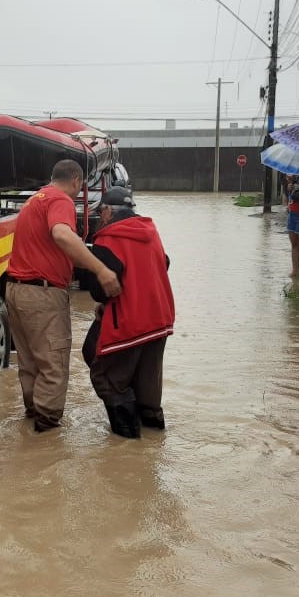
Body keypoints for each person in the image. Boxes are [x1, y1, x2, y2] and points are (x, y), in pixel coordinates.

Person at [5, 159, 121, 433]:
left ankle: (32, 421)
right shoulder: (61, 200)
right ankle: (46, 435)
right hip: (42, 295)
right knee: (53, 363)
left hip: (15, 291)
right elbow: (62, 235)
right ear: (77, 181)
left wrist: (86, 260)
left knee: (30, 363)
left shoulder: (36, 200)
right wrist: (102, 270)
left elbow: (54, 246)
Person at [81, 186, 175, 439]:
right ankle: (152, 443)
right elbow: (164, 263)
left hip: (129, 322)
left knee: (106, 375)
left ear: (109, 211)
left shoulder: (108, 238)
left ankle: (127, 441)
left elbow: (100, 291)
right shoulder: (150, 232)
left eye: (101, 211)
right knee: (148, 383)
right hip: (159, 319)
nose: (101, 216)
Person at [286, 174, 299, 277]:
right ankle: (295, 271)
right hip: (292, 215)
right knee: (294, 244)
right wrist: (289, 188)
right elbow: (291, 198)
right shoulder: (296, 177)